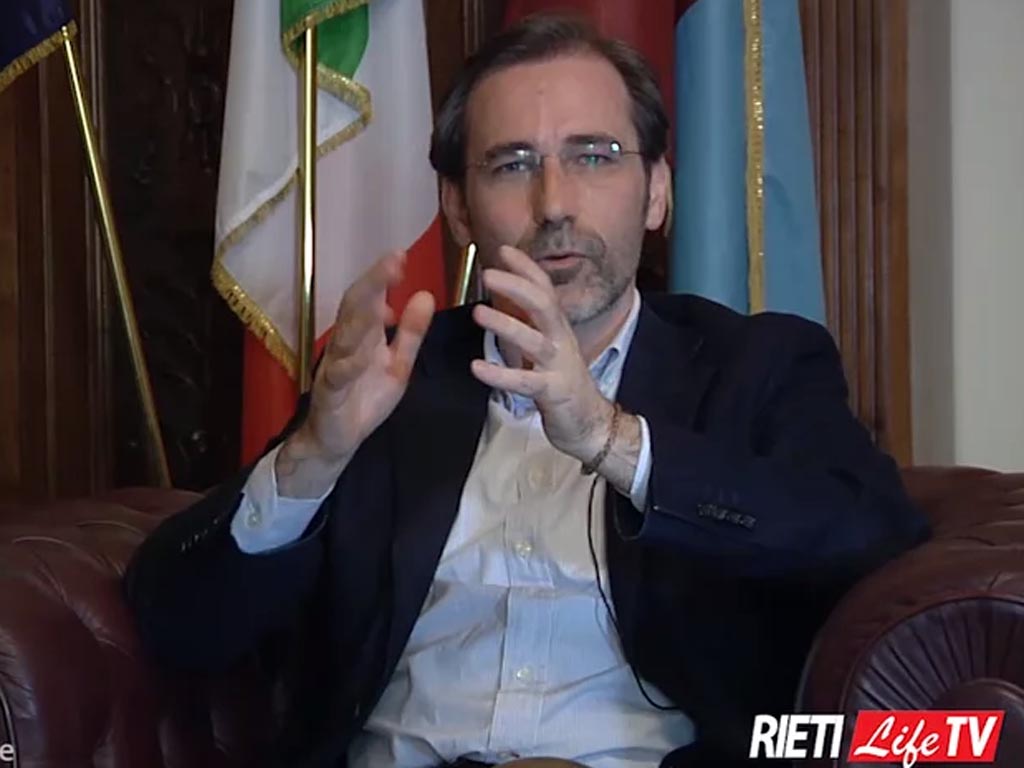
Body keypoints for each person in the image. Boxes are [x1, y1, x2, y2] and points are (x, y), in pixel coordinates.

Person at [124, 14, 929, 768]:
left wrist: (613, 439)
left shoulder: (756, 365)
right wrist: (313, 457)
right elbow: (176, 622)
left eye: (594, 156)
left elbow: (869, 534)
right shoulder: (392, 377)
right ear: (458, 208)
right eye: (512, 165)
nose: (554, 206)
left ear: (657, 191)